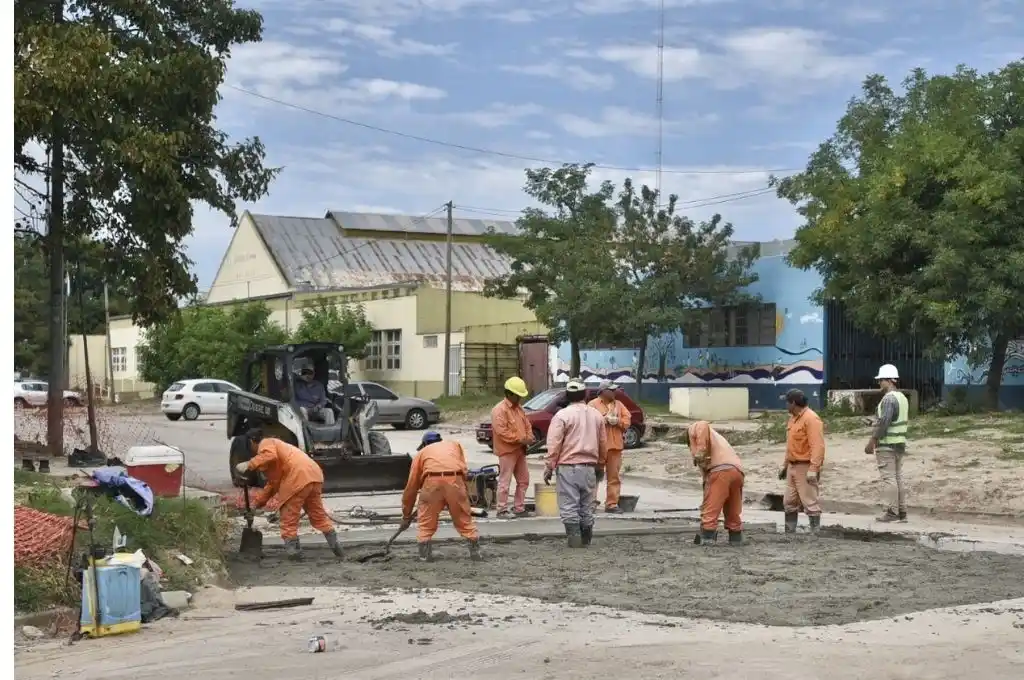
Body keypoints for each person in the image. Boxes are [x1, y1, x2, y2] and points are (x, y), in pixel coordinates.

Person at [234, 429, 343, 560]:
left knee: (288, 520)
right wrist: (255, 505)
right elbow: (272, 485)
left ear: (252, 441)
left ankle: (294, 554)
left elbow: (269, 455)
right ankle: (337, 549)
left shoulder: (267, 443)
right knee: (318, 516)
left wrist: (249, 464)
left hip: (297, 477)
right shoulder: (282, 452)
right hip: (314, 475)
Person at [399, 431, 482, 562]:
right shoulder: (454, 445)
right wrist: (461, 492)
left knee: (426, 521)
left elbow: (411, 487)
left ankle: (424, 556)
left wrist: (406, 515)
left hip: (431, 482)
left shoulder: (421, 453)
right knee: (464, 518)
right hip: (455, 480)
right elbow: (463, 469)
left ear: (425, 444)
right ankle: (475, 552)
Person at [544, 380, 607, 548]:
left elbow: (554, 444)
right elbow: (603, 444)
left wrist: (549, 466)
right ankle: (586, 540)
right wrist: (600, 466)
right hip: (589, 468)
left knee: (569, 506)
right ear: (585, 394)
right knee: (586, 506)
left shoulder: (562, 416)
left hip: (568, 468)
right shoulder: (596, 415)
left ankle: (575, 541)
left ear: (567, 395)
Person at [687, 420, 744, 545]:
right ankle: (735, 537)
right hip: (737, 471)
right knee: (733, 506)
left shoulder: (694, 428)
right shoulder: (715, 438)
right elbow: (705, 471)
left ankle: (708, 537)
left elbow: (702, 425)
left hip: (720, 471)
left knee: (711, 507)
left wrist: (700, 452)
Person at [865, 364, 910, 523]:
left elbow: (885, 422)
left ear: (889, 380)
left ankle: (892, 512)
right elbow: (892, 420)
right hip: (899, 443)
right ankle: (902, 512)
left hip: (887, 445)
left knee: (889, 479)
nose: (879, 383)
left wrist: (872, 441)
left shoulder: (889, 399)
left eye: (881, 380)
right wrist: (874, 422)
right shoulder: (902, 397)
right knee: (897, 478)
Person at [779, 389, 826, 534]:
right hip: (792, 466)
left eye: (787, 402)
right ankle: (789, 532)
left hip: (804, 466)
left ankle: (815, 533)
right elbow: (790, 445)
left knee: (809, 501)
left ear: (793, 403)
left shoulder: (811, 419)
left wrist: (813, 469)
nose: (785, 405)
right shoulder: (793, 419)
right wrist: (785, 465)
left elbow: (817, 446)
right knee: (789, 502)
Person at [491, 376, 535, 519]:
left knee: (524, 480)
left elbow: (527, 424)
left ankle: (519, 508)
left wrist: (529, 437)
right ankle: (502, 510)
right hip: (507, 451)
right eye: (517, 395)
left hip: (519, 450)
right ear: (509, 394)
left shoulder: (519, 409)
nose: (519, 399)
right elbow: (501, 432)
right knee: (505, 481)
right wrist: (520, 439)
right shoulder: (499, 410)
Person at [588, 380, 632, 513]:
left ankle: (611, 504)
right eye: (611, 390)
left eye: (614, 390)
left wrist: (617, 421)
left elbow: (627, 421)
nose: (614, 392)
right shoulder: (592, 405)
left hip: (615, 447)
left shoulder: (619, 405)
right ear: (603, 391)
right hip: (597, 448)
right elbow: (587, 423)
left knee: (614, 477)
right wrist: (603, 419)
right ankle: (590, 503)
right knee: (594, 476)